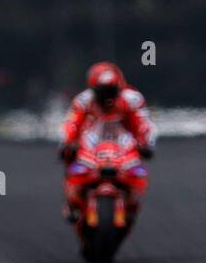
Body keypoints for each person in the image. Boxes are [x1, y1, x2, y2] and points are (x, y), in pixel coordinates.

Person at [57, 62, 155, 215]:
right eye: (103, 92)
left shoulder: (132, 99)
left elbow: (143, 123)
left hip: (122, 145)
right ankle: (72, 201)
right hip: (91, 144)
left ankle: (131, 201)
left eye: (111, 91)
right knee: (70, 159)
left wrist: (146, 143)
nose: (107, 98)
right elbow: (71, 123)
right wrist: (67, 143)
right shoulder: (83, 100)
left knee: (138, 170)